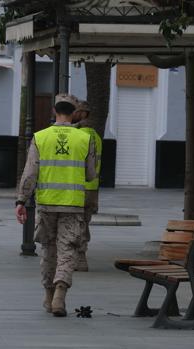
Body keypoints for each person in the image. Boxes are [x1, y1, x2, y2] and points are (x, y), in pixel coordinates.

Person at [15, 94, 96, 317]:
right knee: (67, 249)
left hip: (47, 204)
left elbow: (30, 172)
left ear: (54, 111)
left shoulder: (40, 137)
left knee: (48, 249)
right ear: (74, 114)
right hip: (73, 205)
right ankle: (60, 293)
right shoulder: (84, 139)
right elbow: (91, 175)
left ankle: (48, 295)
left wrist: (21, 200)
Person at [74, 100, 103, 272]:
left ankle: (79, 257)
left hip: (80, 187)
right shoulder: (96, 136)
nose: (73, 114)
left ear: (84, 114)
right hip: (92, 188)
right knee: (84, 222)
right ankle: (80, 257)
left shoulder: (80, 135)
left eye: (76, 111)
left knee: (77, 224)